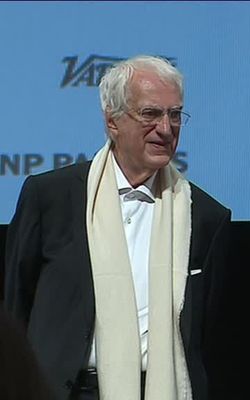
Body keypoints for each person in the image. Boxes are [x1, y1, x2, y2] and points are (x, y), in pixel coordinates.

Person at [4, 55, 231, 400]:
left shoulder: (205, 215)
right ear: (112, 121)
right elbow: (16, 304)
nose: (166, 129)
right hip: (63, 390)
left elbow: (206, 332)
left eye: (175, 114)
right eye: (151, 114)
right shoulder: (51, 197)